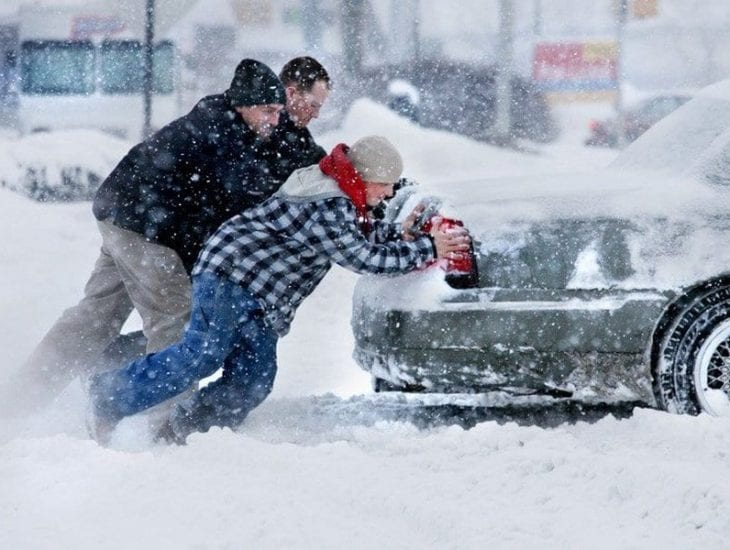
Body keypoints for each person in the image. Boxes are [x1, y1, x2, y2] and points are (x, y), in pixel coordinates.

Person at [88, 136, 472, 445]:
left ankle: (188, 431)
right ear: (367, 177)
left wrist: (402, 236)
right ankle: (107, 396)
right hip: (229, 273)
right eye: (386, 185)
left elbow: (359, 233)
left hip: (262, 296)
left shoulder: (344, 193)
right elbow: (361, 256)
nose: (388, 194)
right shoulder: (329, 202)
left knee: (253, 378)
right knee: (202, 354)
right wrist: (428, 248)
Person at [4, 59, 302, 415]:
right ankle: (157, 422)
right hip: (145, 229)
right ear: (242, 104)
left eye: (278, 111)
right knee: (177, 322)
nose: (274, 119)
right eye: (267, 110)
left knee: (95, 318)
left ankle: (19, 401)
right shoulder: (223, 138)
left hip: (120, 214)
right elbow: (225, 212)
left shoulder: (223, 125)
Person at [268, 56, 331, 181]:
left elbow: (321, 164)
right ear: (291, 94)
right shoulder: (266, 132)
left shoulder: (297, 131)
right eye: (313, 105)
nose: (316, 115)